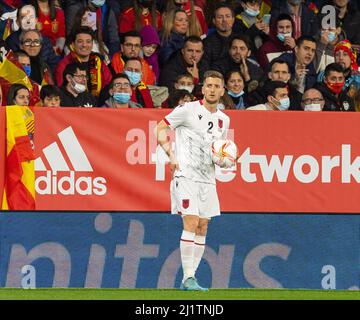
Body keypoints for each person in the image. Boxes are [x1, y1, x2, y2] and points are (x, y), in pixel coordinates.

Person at [155, 70, 230, 291]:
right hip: (185, 175)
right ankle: (188, 278)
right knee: (191, 221)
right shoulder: (187, 110)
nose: (213, 89)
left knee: (203, 225)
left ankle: (192, 278)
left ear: (223, 91)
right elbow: (160, 128)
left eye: (217, 86)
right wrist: (171, 154)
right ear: (203, 88)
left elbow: (219, 151)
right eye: (209, 85)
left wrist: (224, 161)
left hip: (208, 179)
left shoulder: (224, 120)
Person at [55, 26, 112, 98]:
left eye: (88, 42)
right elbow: (61, 92)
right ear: (73, 44)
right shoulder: (64, 65)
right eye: (80, 41)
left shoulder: (98, 62)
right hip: (73, 105)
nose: (84, 45)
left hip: (98, 105)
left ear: (92, 44)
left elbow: (109, 86)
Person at [5, 4, 60, 73]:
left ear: (36, 20)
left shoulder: (46, 41)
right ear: (18, 21)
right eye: (24, 17)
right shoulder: (11, 41)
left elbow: (54, 65)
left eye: (31, 17)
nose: (28, 21)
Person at [201, 3, 237, 72]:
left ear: (233, 19)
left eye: (227, 16)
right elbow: (204, 69)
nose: (224, 20)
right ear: (214, 21)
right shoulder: (207, 43)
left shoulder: (241, 40)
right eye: (220, 17)